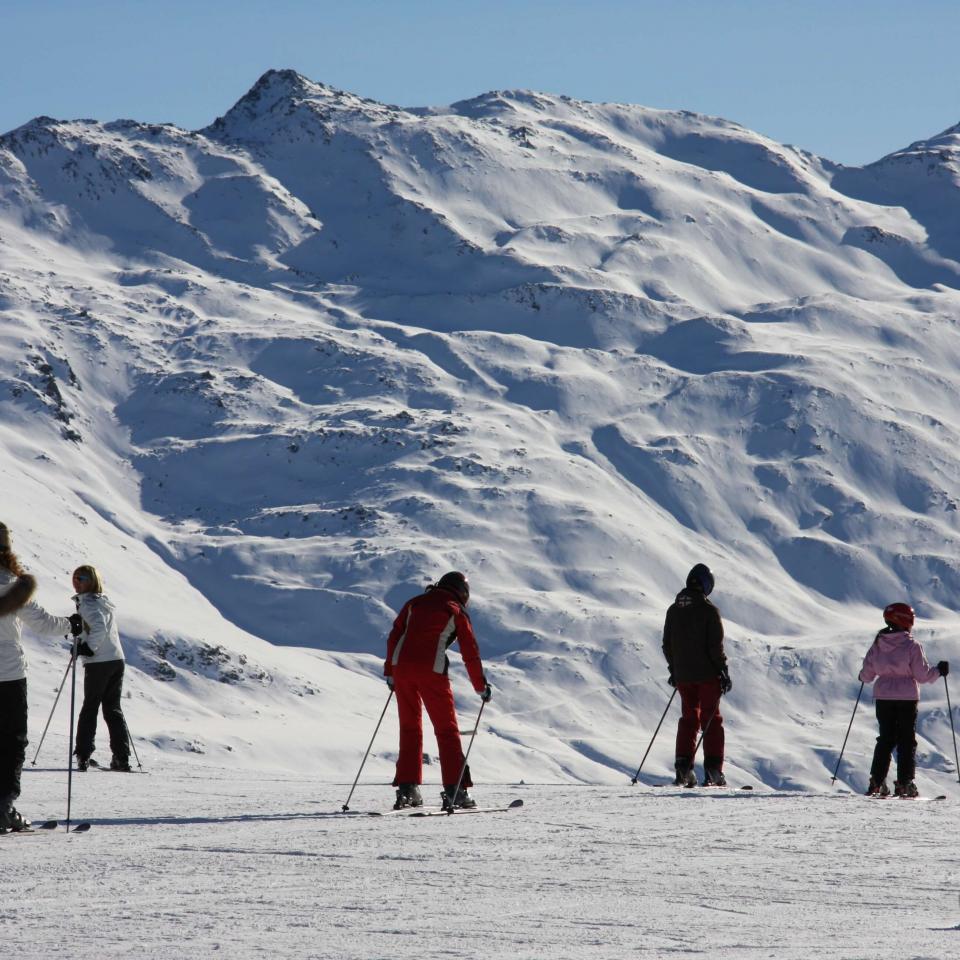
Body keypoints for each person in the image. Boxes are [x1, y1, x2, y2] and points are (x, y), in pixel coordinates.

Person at [384, 571, 491, 810]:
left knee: (410, 727)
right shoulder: (455, 610)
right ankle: (456, 791)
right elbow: (470, 652)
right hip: (431, 670)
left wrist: (390, 671)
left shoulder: (415, 603)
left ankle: (407, 789)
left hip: (401, 668)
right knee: (446, 730)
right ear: (462, 593)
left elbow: (395, 635)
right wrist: (480, 687)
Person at [0, 522, 74, 832]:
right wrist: (73, 623)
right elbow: (44, 625)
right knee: (12, 741)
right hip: (8, 675)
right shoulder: (11, 584)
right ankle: (3, 808)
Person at [858, 602, 948, 798]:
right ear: (906, 621)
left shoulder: (878, 644)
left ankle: (877, 782)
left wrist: (863, 676)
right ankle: (905, 784)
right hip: (907, 698)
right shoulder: (911, 646)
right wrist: (939, 671)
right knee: (906, 740)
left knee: (885, 739)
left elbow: (866, 675)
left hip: (883, 697)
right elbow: (923, 676)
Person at [662, 563, 731, 787]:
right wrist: (723, 672)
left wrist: (674, 670)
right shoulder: (709, 611)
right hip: (707, 677)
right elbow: (715, 648)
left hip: (683, 677)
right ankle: (713, 770)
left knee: (688, 719)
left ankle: (683, 769)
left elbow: (667, 645)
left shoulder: (673, 610)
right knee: (711, 720)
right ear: (706, 585)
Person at [71, 565, 131, 772]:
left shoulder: (88, 603)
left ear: (92, 581)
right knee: (112, 709)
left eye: (82, 577)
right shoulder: (103, 602)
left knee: (90, 708)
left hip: (99, 662)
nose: (76, 581)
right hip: (116, 659)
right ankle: (122, 757)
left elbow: (98, 627)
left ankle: (83, 755)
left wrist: (87, 647)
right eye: (75, 577)